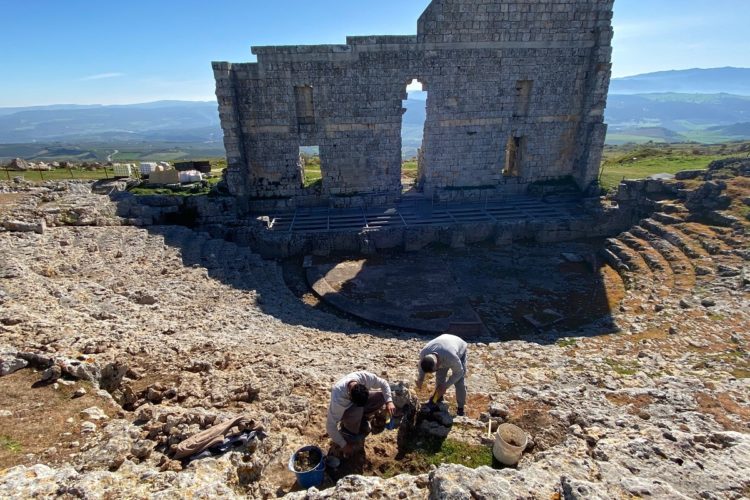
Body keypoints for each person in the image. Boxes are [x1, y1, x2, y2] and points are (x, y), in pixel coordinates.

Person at [326, 371, 396, 456]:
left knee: (381, 397)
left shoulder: (364, 377)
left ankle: (362, 418)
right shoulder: (338, 398)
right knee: (357, 412)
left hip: (359, 401)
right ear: (350, 397)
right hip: (347, 411)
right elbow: (330, 425)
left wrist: (389, 401)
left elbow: (383, 383)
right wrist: (343, 445)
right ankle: (348, 430)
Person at [416, 334, 468, 416]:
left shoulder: (451, 357)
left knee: (459, 382)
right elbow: (421, 367)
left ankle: (460, 408)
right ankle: (438, 398)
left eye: (435, 370)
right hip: (444, 345)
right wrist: (420, 379)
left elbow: (459, 372)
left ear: (437, 365)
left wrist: (446, 386)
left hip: (458, 347)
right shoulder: (424, 353)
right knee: (440, 377)